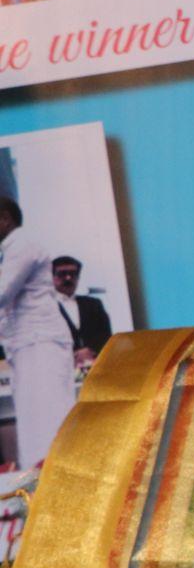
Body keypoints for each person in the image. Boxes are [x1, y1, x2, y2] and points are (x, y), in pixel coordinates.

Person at [0, 198, 78, 471]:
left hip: (40, 342)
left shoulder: (23, 245)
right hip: (27, 344)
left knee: (47, 418)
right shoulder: (10, 250)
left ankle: (54, 477)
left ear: (4, 218)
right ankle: (40, 480)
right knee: (33, 419)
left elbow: (2, 292)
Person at [50, 254, 113, 366]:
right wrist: (71, 355)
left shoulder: (94, 304)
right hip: (59, 366)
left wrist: (91, 350)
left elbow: (106, 335)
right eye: (62, 274)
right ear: (52, 277)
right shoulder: (46, 307)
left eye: (73, 274)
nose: (68, 278)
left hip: (94, 365)